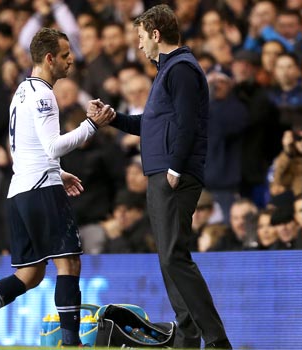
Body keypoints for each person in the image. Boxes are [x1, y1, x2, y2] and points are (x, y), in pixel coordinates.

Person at [0, 27, 115, 346]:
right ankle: (70, 342)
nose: (71, 60)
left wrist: (58, 172)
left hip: (20, 189)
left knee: (30, 274)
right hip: (40, 189)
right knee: (69, 261)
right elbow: (53, 146)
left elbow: (27, 147)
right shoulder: (43, 93)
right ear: (49, 58)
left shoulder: (22, 91)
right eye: (66, 55)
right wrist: (91, 125)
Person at [87, 5, 232, 349]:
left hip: (173, 174)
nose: (138, 46)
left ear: (155, 34)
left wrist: (176, 168)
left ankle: (215, 341)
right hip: (162, 171)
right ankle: (187, 339)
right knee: (169, 259)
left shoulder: (180, 69)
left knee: (174, 257)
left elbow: (186, 123)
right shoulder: (168, 71)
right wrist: (114, 118)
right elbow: (151, 125)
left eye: (140, 37)